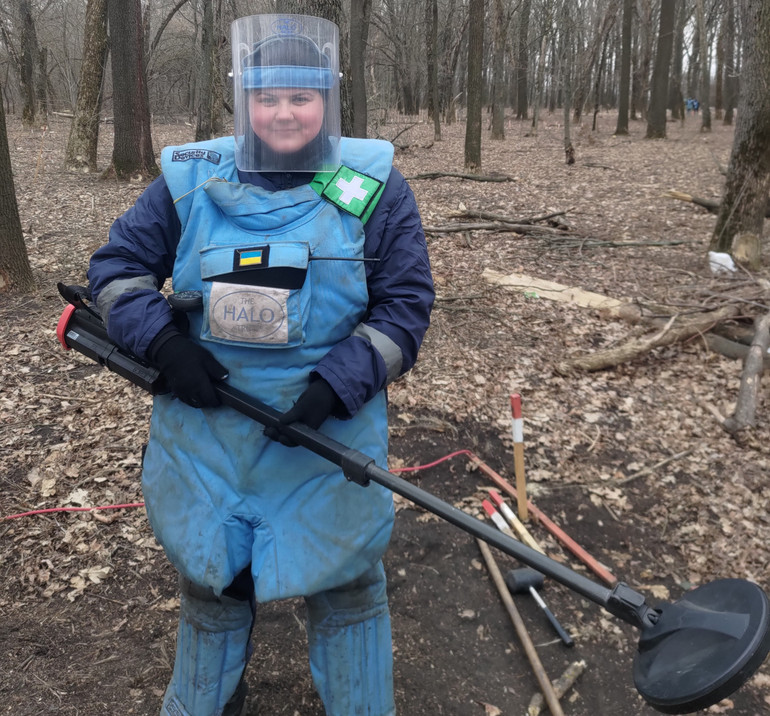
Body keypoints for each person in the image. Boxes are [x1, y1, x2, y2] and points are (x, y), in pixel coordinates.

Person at [87, 14, 434, 716]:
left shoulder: (367, 185)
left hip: (327, 438)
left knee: (349, 585)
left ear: (328, 101)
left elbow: (405, 306)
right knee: (214, 584)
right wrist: (163, 344)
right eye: (265, 97)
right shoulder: (190, 180)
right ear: (241, 101)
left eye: (300, 98)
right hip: (210, 436)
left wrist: (337, 384)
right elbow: (118, 270)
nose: (282, 113)